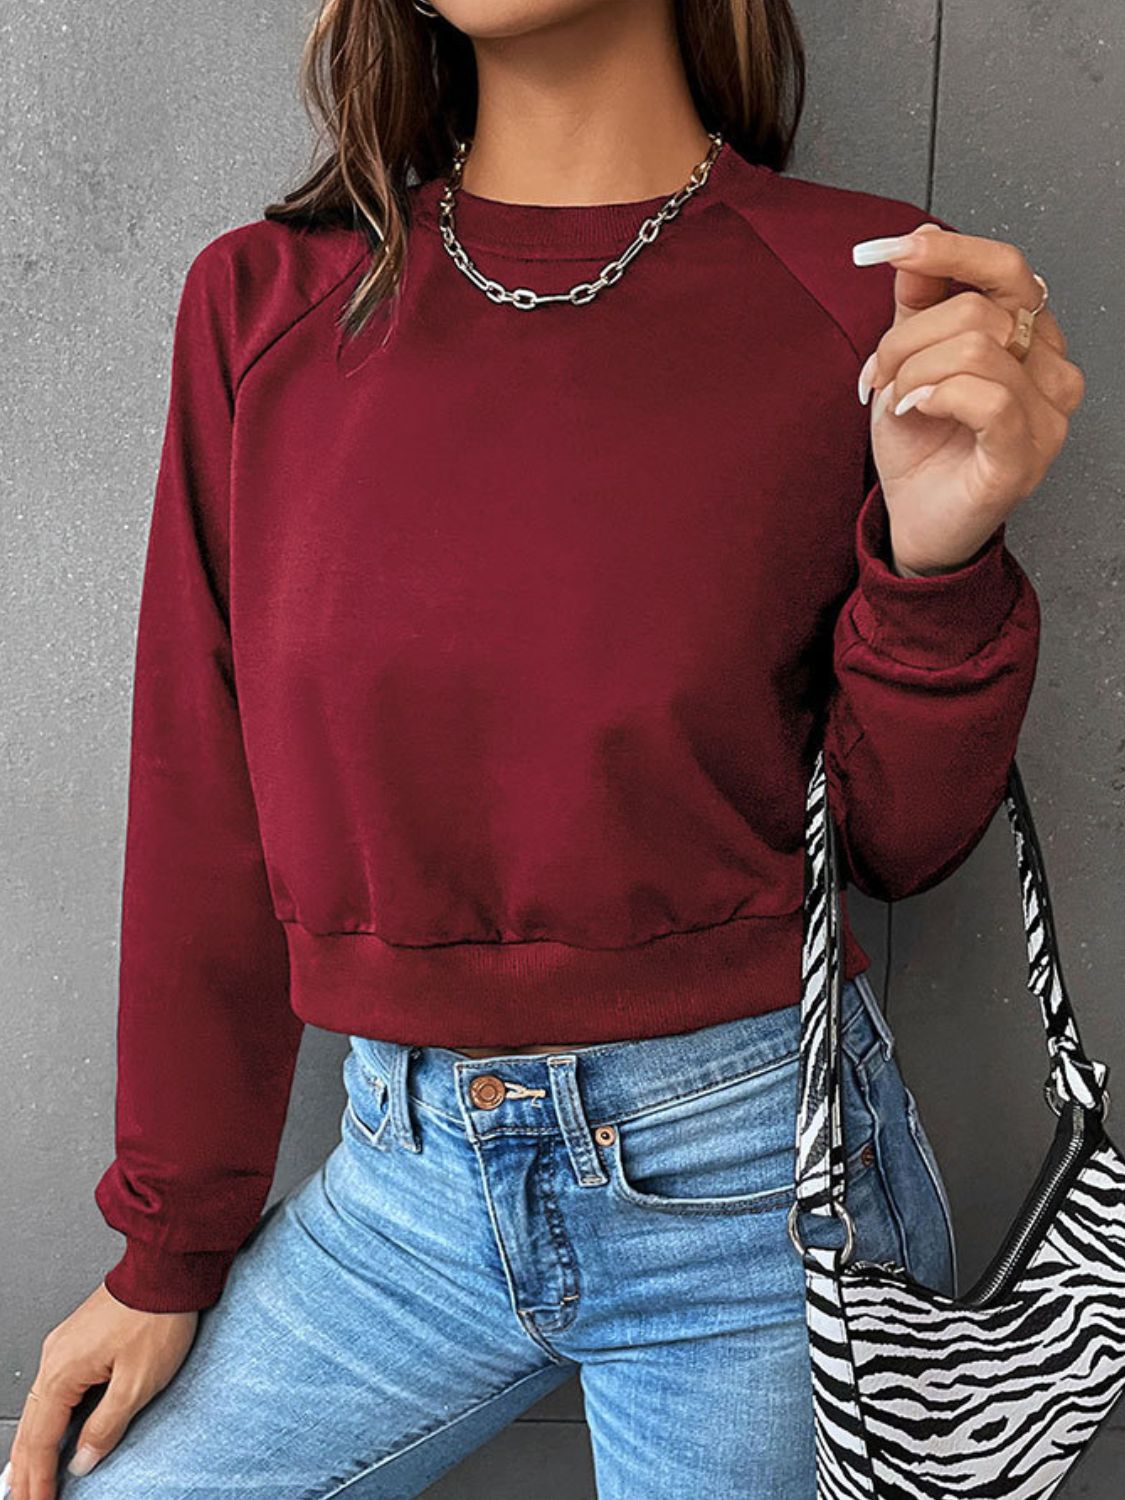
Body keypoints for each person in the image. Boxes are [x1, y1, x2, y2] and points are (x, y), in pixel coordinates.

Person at [5, 0, 1085, 1496]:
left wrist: (939, 559)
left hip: (758, 1185)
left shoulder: (866, 285)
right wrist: (166, 1247)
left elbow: (895, 845)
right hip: (403, 1184)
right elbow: (203, 797)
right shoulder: (267, 301)